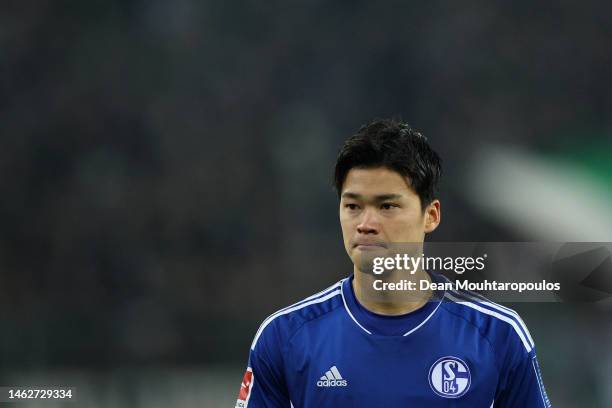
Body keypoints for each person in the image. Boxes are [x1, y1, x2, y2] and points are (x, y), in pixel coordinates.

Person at [236, 118, 552, 407]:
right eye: (352, 206)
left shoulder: (497, 336)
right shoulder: (285, 337)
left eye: (387, 206)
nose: (366, 223)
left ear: (431, 216)